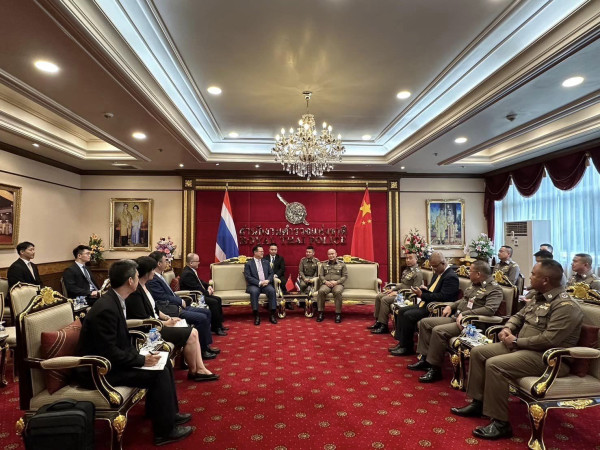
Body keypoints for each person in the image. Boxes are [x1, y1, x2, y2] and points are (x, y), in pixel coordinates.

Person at [451, 260, 583, 441]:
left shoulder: (565, 306)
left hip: (548, 358)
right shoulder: (538, 296)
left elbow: (550, 340)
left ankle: (500, 423)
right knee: (478, 352)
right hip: (522, 347)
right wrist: (508, 328)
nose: (530, 276)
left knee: (495, 365)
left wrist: (516, 341)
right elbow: (518, 316)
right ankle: (478, 403)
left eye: (534, 274)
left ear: (545, 280)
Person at [77, 259, 193, 446]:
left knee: (162, 363)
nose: (139, 280)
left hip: (111, 361)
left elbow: (117, 343)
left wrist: (142, 356)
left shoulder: (115, 300)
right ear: (130, 281)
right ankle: (164, 432)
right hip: (99, 370)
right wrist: (141, 360)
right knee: (158, 372)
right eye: (137, 276)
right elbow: (109, 351)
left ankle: (168, 414)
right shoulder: (106, 308)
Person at [126, 256, 218, 382]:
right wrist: (165, 322)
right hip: (152, 329)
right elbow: (144, 318)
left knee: (193, 330)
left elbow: (154, 309)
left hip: (159, 322)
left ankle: (199, 368)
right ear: (146, 272)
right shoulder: (136, 292)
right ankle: (195, 371)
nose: (154, 272)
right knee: (192, 333)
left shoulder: (144, 286)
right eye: (152, 269)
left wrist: (167, 317)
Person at [408, 260, 503, 382]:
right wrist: (451, 306)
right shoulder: (475, 284)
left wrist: (465, 314)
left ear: (478, 274)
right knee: (425, 322)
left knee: (438, 330)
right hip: (456, 318)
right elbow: (464, 300)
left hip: (471, 325)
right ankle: (425, 360)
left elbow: (489, 310)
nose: (468, 273)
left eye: (470, 271)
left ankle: (435, 369)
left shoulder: (494, 289)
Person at [146, 251, 219, 360]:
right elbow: (161, 297)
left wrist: (179, 300)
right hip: (170, 309)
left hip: (175, 305)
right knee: (202, 317)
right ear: (159, 264)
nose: (167, 263)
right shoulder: (153, 280)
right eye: (165, 261)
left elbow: (170, 293)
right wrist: (179, 301)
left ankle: (206, 346)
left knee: (206, 312)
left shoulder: (159, 276)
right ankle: (202, 350)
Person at [390, 251, 459, 356]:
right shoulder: (438, 273)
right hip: (427, 303)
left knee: (408, 315)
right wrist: (424, 289)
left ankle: (407, 347)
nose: (434, 269)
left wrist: (422, 295)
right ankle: (402, 343)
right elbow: (433, 290)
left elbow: (443, 297)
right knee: (402, 311)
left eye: (435, 266)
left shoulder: (451, 277)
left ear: (443, 263)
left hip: (436, 308)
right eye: (432, 267)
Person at [368, 253, 423, 334]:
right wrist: (392, 289)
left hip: (407, 297)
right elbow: (402, 284)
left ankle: (384, 326)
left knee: (385, 299)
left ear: (416, 259)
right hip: (400, 293)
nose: (408, 260)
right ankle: (378, 321)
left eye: (410, 258)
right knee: (379, 296)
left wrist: (397, 293)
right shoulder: (407, 270)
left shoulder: (417, 273)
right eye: (406, 258)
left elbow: (415, 290)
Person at [179, 253, 227, 335]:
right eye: (197, 261)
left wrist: (208, 286)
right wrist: (207, 293)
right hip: (193, 297)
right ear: (191, 263)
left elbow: (200, 282)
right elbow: (196, 288)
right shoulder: (187, 274)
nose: (199, 263)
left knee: (218, 299)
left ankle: (219, 324)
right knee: (213, 302)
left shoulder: (191, 270)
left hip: (198, 294)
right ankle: (216, 328)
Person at [244, 245, 278, 326]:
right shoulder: (249, 264)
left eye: (263, 251)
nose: (263, 253)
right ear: (255, 252)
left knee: (272, 290)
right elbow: (248, 277)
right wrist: (259, 282)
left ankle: (272, 315)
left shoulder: (266, 262)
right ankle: (256, 316)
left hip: (266, 284)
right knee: (254, 292)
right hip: (254, 285)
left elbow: (271, 273)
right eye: (261, 251)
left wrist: (268, 280)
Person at [316, 248, 348, 323]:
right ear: (327, 255)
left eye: (332, 254)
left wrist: (337, 282)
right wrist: (325, 282)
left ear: (336, 254)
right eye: (329, 254)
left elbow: (345, 276)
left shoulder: (342, 264)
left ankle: (338, 314)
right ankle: (320, 312)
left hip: (338, 284)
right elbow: (321, 275)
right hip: (326, 284)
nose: (331, 255)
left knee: (337, 292)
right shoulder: (324, 264)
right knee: (321, 291)